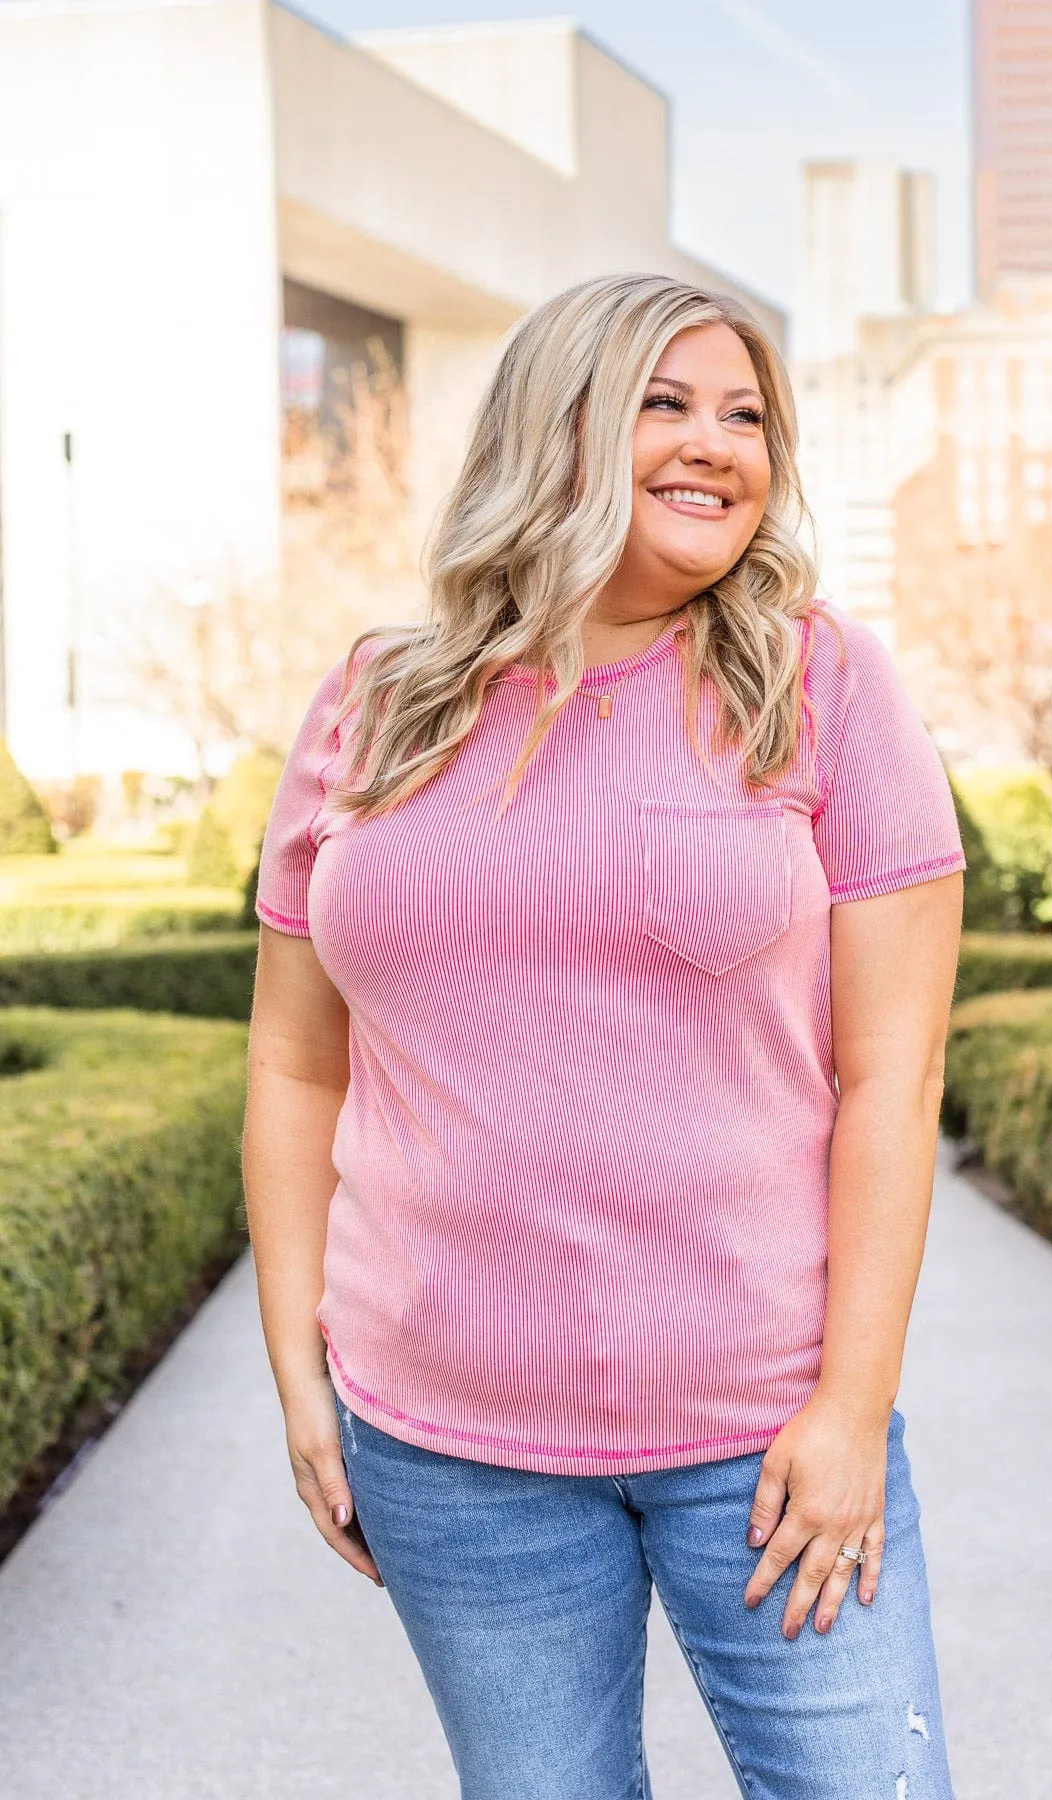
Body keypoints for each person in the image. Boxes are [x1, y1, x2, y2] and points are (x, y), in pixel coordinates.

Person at [243, 272, 965, 1800]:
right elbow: (298, 1063)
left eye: (749, 415)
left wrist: (850, 1406)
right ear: (555, 425)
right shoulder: (375, 703)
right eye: (667, 401)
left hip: (762, 1436)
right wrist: (302, 1379)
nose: (719, 445)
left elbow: (892, 1077)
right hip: (447, 1445)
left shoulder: (821, 686)